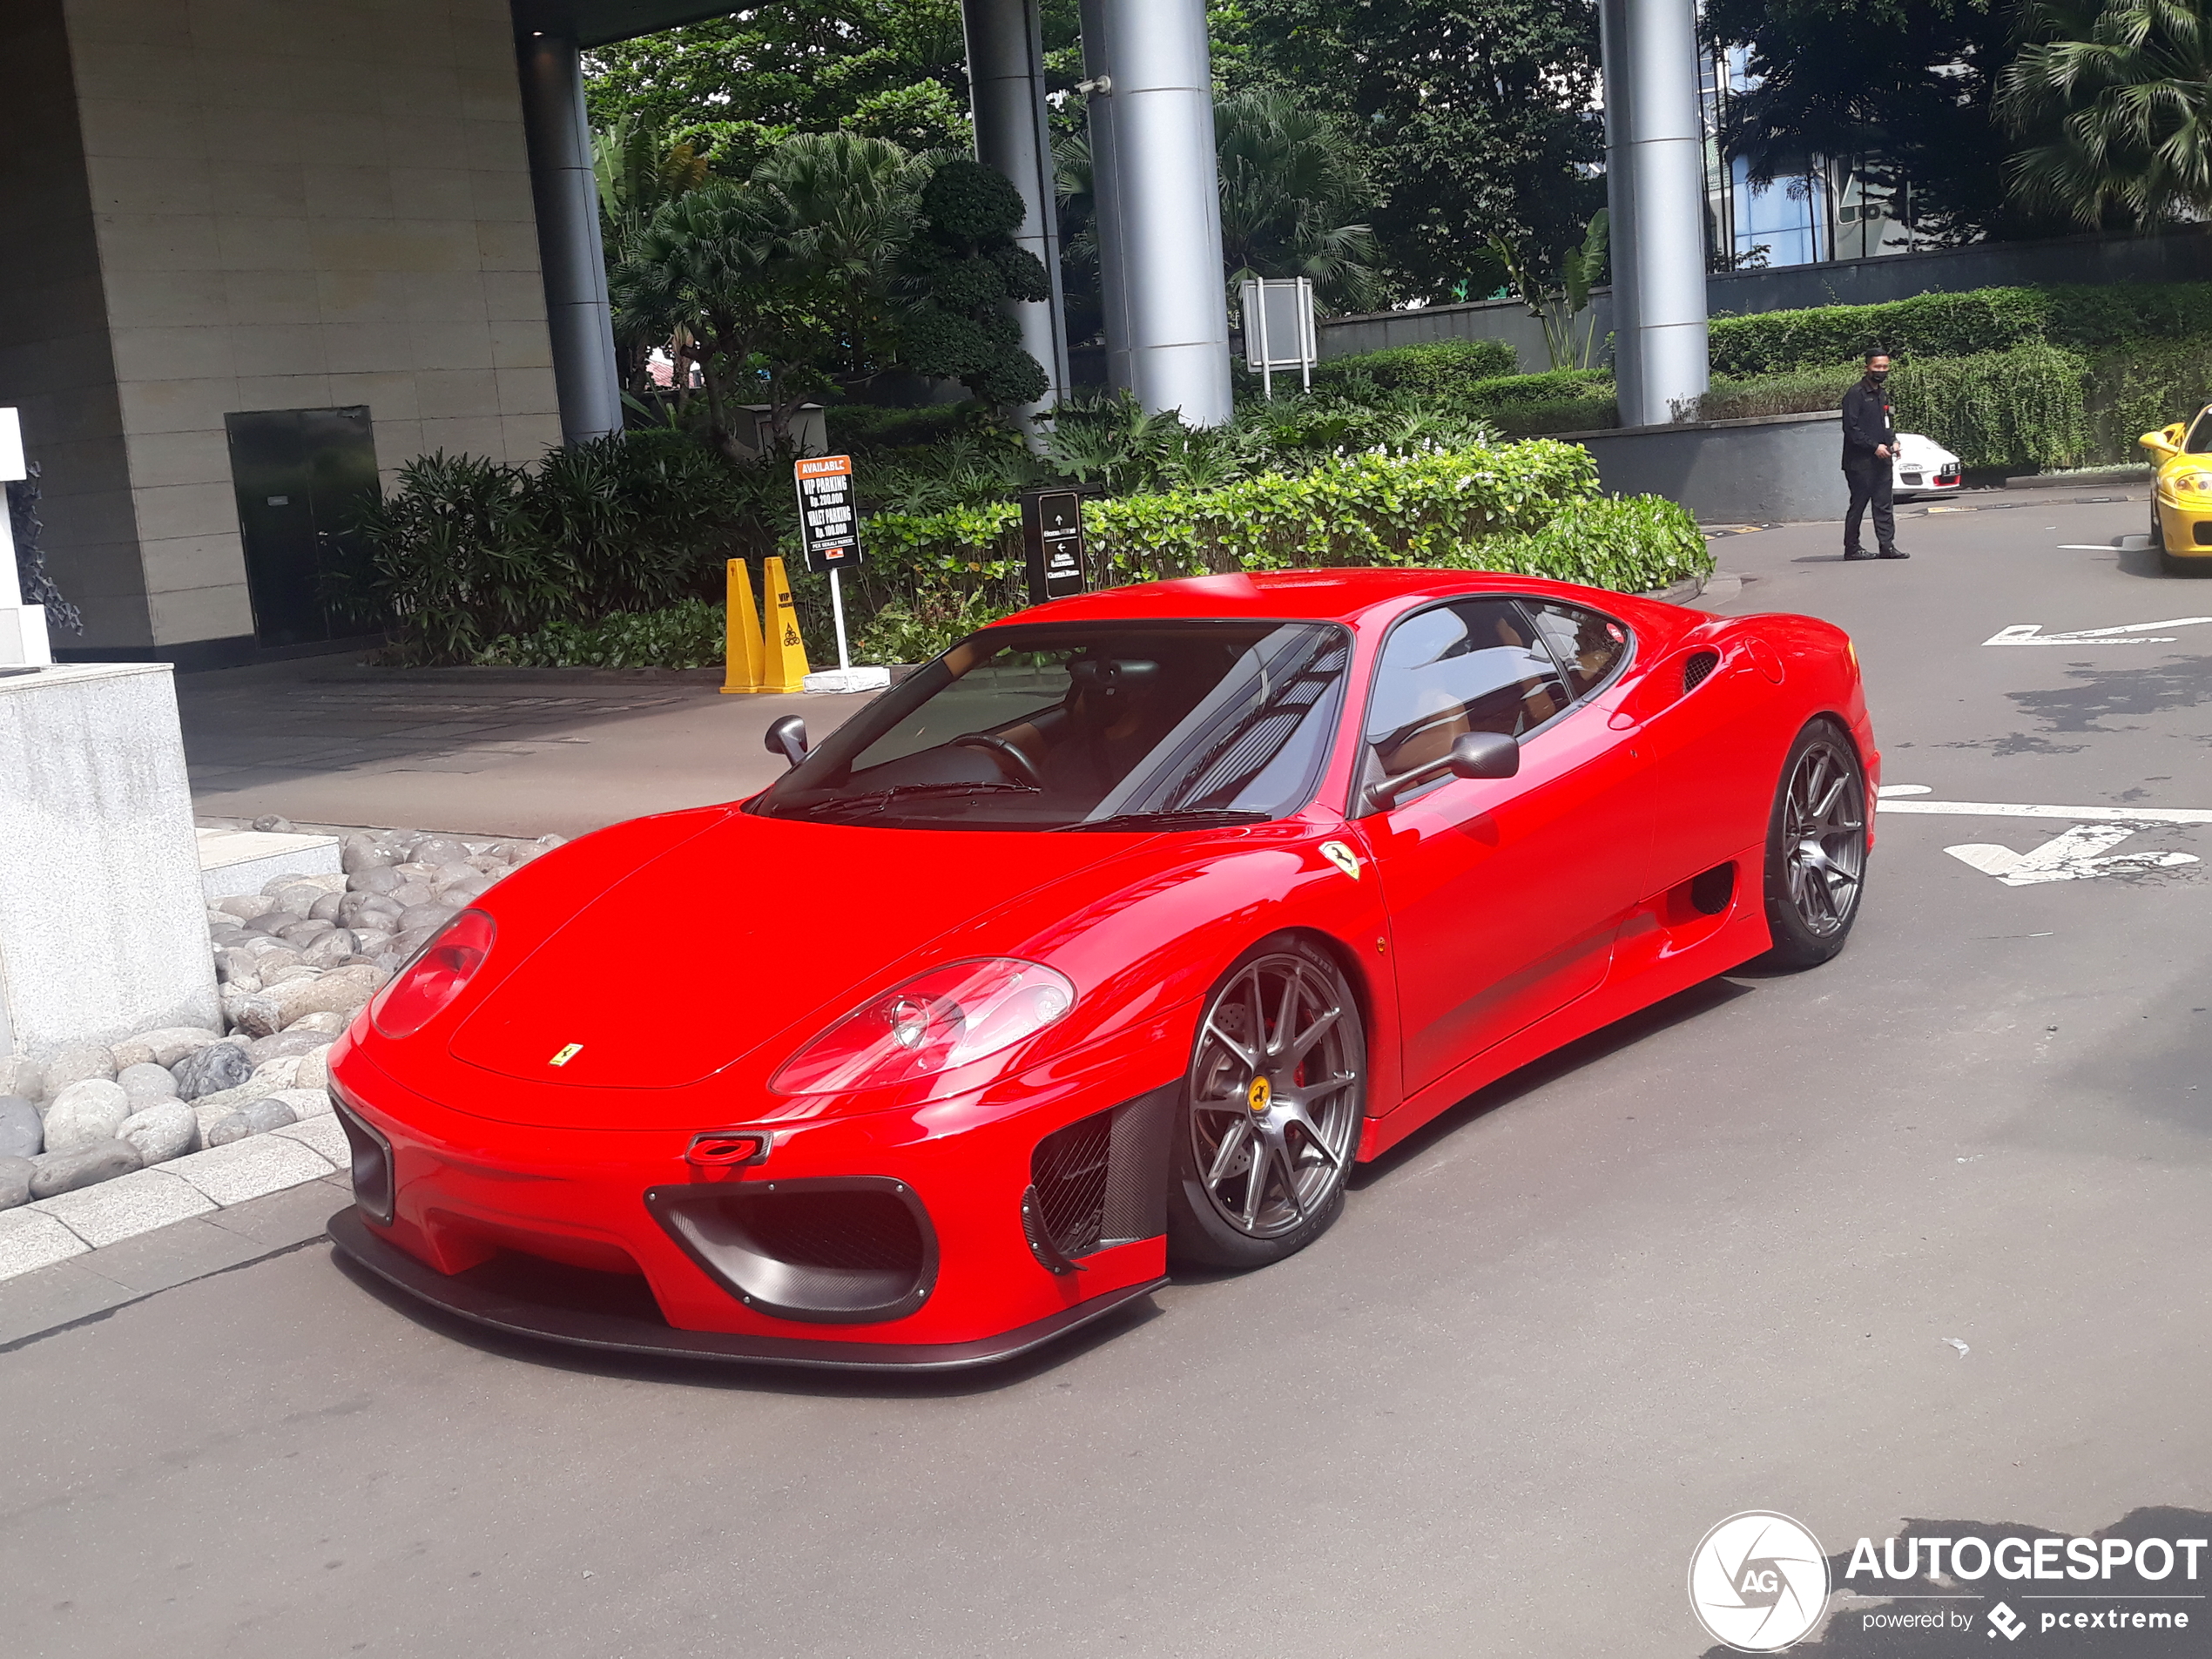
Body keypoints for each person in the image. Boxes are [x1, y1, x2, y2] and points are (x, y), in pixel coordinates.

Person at [1841, 350, 1908, 560]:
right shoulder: (1855, 394)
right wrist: (1874, 447)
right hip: (1859, 462)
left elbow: (1886, 423)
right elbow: (1850, 429)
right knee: (1859, 505)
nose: (1882, 371)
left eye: (1885, 367)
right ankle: (1852, 548)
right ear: (1867, 368)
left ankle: (1887, 546)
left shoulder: (1882, 394)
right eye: (1877, 367)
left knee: (1884, 504)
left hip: (1883, 459)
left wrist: (1893, 442)